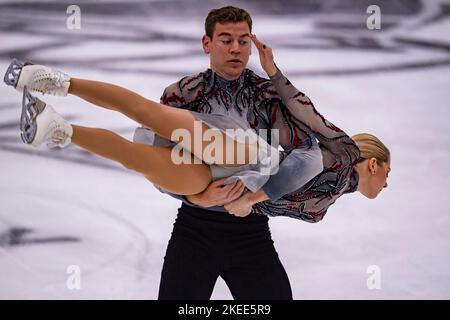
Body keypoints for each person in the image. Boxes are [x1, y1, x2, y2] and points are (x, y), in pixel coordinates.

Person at [4, 6, 390, 299]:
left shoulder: (270, 96)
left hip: (239, 220)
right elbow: (307, 156)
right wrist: (205, 199)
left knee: (134, 157)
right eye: (227, 39)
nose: (236, 48)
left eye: (243, 40)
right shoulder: (183, 92)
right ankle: (55, 81)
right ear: (208, 43)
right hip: (231, 178)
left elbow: (303, 134)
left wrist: (199, 195)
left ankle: (57, 130)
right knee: (151, 114)